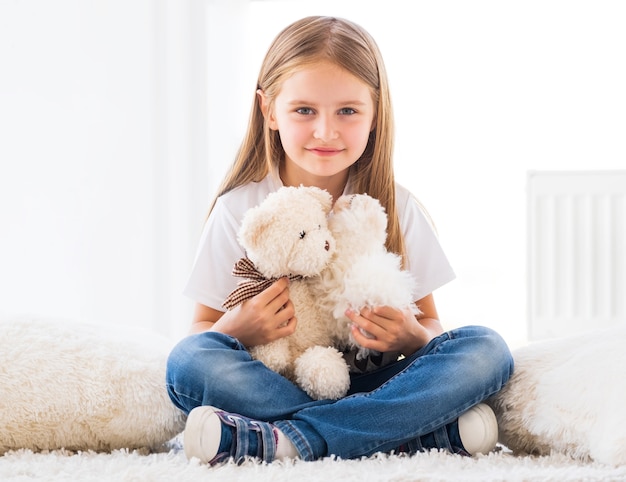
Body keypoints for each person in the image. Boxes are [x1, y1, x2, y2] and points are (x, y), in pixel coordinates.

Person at [166, 15, 514, 465]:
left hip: (380, 383)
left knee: (486, 350)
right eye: (304, 110)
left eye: (347, 111)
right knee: (186, 361)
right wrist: (239, 328)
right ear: (269, 110)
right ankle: (402, 436)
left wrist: (409, 336)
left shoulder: (395, 207)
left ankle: (288, 440)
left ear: (374, 115)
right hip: (276, 383)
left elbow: (431, 327)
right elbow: (202, 333)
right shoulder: (241, 210)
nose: (326, 131)